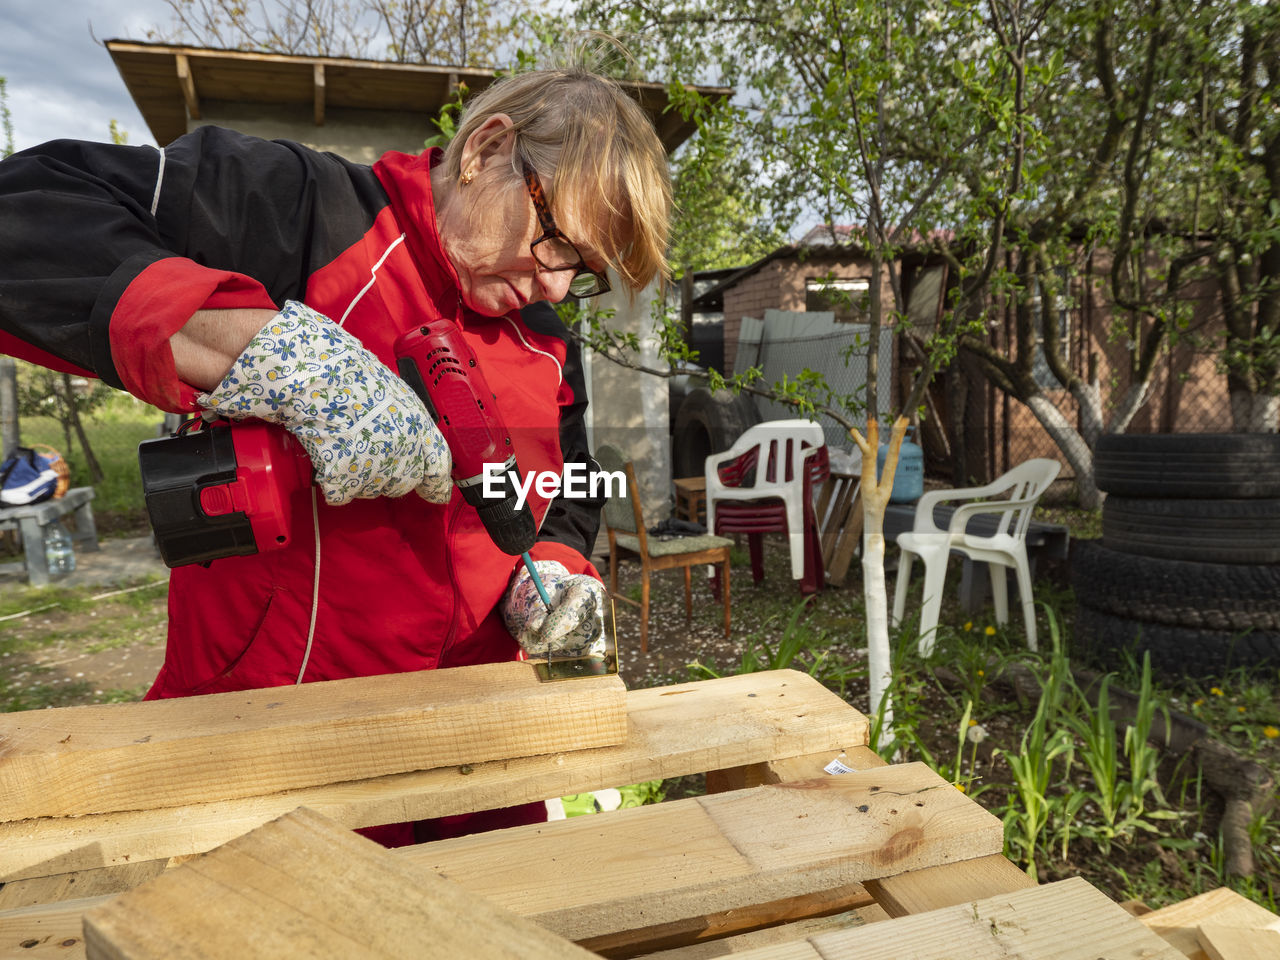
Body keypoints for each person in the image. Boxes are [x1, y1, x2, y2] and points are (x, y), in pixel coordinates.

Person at [0, 61, 671, 843]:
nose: (558, 286)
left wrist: (554, 574)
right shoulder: (297, 208)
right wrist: (264, 350)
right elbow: (24, 214)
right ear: (488, 149)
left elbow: (572, 489)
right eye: (558, 239)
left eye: (582, 273)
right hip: (268, 749)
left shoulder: (547, 339)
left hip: (477, 755)